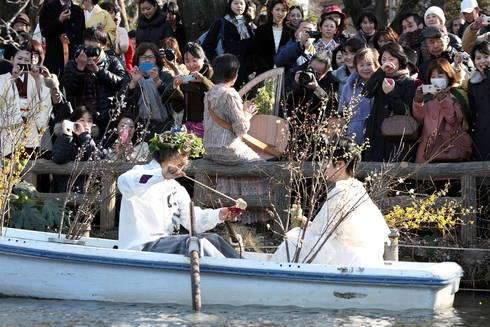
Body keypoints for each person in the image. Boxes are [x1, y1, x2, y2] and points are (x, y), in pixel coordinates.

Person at [117, 127, 241, 258]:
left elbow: (192, 220)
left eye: (187, 156)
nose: (185, 161)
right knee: (194, 243)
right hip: (141, 248)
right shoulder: (141, 174)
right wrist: (160, 175)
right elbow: (124, 182)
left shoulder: (176, 188)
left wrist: (218, 215)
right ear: (166, 152)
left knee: (213, 239)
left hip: (165, 245)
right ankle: (232, 274)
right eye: (182, 154)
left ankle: (245, 269)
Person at [270, 137, 391, 265]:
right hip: (363, 255)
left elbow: (321, 232)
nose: (323, 165)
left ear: (340, 164)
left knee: (292, 242)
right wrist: (311, 224)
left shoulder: (340, 191)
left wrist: (308, 227)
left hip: (344, 255)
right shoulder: (357, 187)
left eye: (326, 160)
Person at [63, 26, 127, 136]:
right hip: (84, 123)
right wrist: (80, 69)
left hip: (109, 122)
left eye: (94, 41)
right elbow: (71, 90)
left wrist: (99, 71)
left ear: (102, 44)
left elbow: (121, 83)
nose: (90, 44)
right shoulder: (73, 64)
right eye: (87, 40)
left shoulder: (111, 62)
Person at [362, 42, 417, 162]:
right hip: (376, 129)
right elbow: (365, 93)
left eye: (391, 59)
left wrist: (391, 93)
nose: (388, 62)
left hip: (396, 133)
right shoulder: (379, 78)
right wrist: (379, 72)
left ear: (400, 60)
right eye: (384, 59)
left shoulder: (408, 83)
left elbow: (405, 110)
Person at [413, 58, 470, 163]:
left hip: (450, 148)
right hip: (427, 148)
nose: (436, 79)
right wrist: (418, 100)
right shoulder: (427, 96)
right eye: (433, 76)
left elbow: (453, 120)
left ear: (448, 76)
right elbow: (419, 120)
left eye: (440, 76)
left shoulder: (456, 94)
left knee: (448, 177)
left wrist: (443, 99)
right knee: (426, 177)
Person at [0, 45, 52, 157]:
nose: (22, 62)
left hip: (30, 128)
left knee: (29, 164)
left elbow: (43, 100)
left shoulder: (36, 78)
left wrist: (38, 79)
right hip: (10, 129)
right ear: (12, 59)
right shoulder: (3, 78)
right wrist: (12, 79)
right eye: (19, 59)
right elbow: (2, 100)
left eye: (27, 60)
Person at [119, 42, 175, 141]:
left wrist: (158, 81)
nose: (147, 60)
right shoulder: (129, 78)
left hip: (164, 126)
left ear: (156, 60)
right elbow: (123, 102)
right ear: (138, 60)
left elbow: (171, 98)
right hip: (140, 127)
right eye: (143, 57)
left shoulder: (166, 77)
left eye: (151, 57)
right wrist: (134, 82)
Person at [201, 0, 255, 89]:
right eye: (236, 3)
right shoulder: (220, 23)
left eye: (242, 3)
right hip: (223, 73)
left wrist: (247, 66)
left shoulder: (248, 27)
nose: (239, 6)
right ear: (230, 5)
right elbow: (207, 46)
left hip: (242, 73)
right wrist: (220, 63)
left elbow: (252, 50)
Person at [52, 106, 102, 192]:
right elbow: (59, 159)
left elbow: (97, 158)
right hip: (64, 192)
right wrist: (67, 136)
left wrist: (84, 136)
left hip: (88, 194)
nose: (86, 124)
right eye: (82, 120)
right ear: (73, 122)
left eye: (89, 121)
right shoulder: (64, 139)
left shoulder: (95, 142)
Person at [171, 42, 214, 138]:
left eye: (194, 60)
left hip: (213, 129)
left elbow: (219, 95)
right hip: (192, 132)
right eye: (187, 61)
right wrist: (176, 87)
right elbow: (178, 108)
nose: (191, 65)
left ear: (203, 57)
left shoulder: (214, 74)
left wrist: (203, 81)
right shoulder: (186, 79)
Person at [39, 0, 85, 87]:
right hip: (55, 60)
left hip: (74, 61)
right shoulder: (48, 8)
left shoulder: (78, 11)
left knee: (73, 94)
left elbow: (82, 35)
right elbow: (44, 31)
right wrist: (59, 20)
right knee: (56, 93)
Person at [338, 48, 379, 145]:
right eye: (361, 65)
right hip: (354, 133)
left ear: (376, 65)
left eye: (369, 64)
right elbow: (341, 112)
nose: (365, 68)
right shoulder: (349, 87)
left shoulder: (382, 85)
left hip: (377, 131)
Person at [284, 53, 338, 124]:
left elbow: (333, 104)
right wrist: (295, 85)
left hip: (314, 124)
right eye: (311, 69)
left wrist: (316, 88)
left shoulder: (331, 82)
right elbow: (282, 97)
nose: (312, 73)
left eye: (317, 73)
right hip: (291, 121)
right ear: (308, 64)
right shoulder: (294, 73)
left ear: (325, 73)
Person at [252, 0, 295, 74]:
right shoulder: (261, 30)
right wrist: (268, 72)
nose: (280, 13)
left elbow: (292, 54)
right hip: (263, 73)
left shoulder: (291, 31)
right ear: (271, 10)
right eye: (277, 9)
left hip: (284, 73)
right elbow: (256, 53)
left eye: (283, 10)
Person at [467, 41, 490, 160]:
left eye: (486, 56)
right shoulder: (473, 82)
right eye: (478, 58)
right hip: (482, 131)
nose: (482, 61)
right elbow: (472, 110)